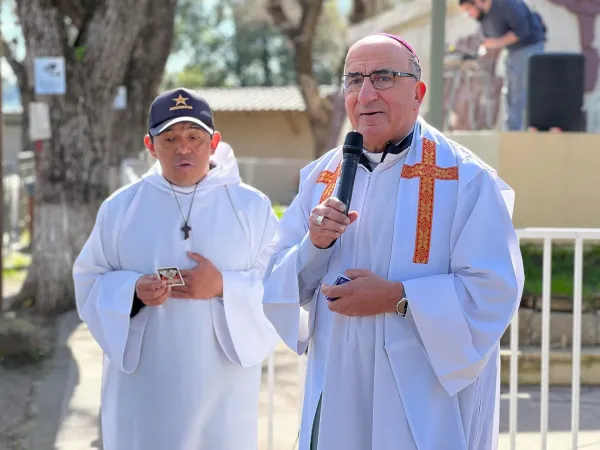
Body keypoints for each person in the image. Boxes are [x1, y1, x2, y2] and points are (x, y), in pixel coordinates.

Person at [262, 34, 525, 450]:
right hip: (338, 382)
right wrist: (313, 246)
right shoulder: (321, 177)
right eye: (354, 79)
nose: (366, 94)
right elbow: (275, 280)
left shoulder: (466, 178)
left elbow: (493, 289)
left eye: (383, 77)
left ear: (418, 93)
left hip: (421, 393)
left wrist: (398, 298)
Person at [72, 87, 280, 450]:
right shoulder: (121, 208)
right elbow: (90, 280)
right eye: (169, 138)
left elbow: (279, 285)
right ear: (150, 146)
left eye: (194, 137)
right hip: (147, 384)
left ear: (213, 142)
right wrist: (132, 291)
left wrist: (223, 287)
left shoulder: (251, 208)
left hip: (222, 381)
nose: (183, 148)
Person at [460, 0, 546, 131]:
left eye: (468, 9)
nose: (469, 15)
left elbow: (521, 31)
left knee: (519, 90)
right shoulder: (483, 17)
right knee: (508, 91)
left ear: (477, 1)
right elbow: (492, 39)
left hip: (529, 46)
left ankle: (517, 131)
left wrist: (496, 43)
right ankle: (511, 129)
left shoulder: (505, 4)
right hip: (511, 50)